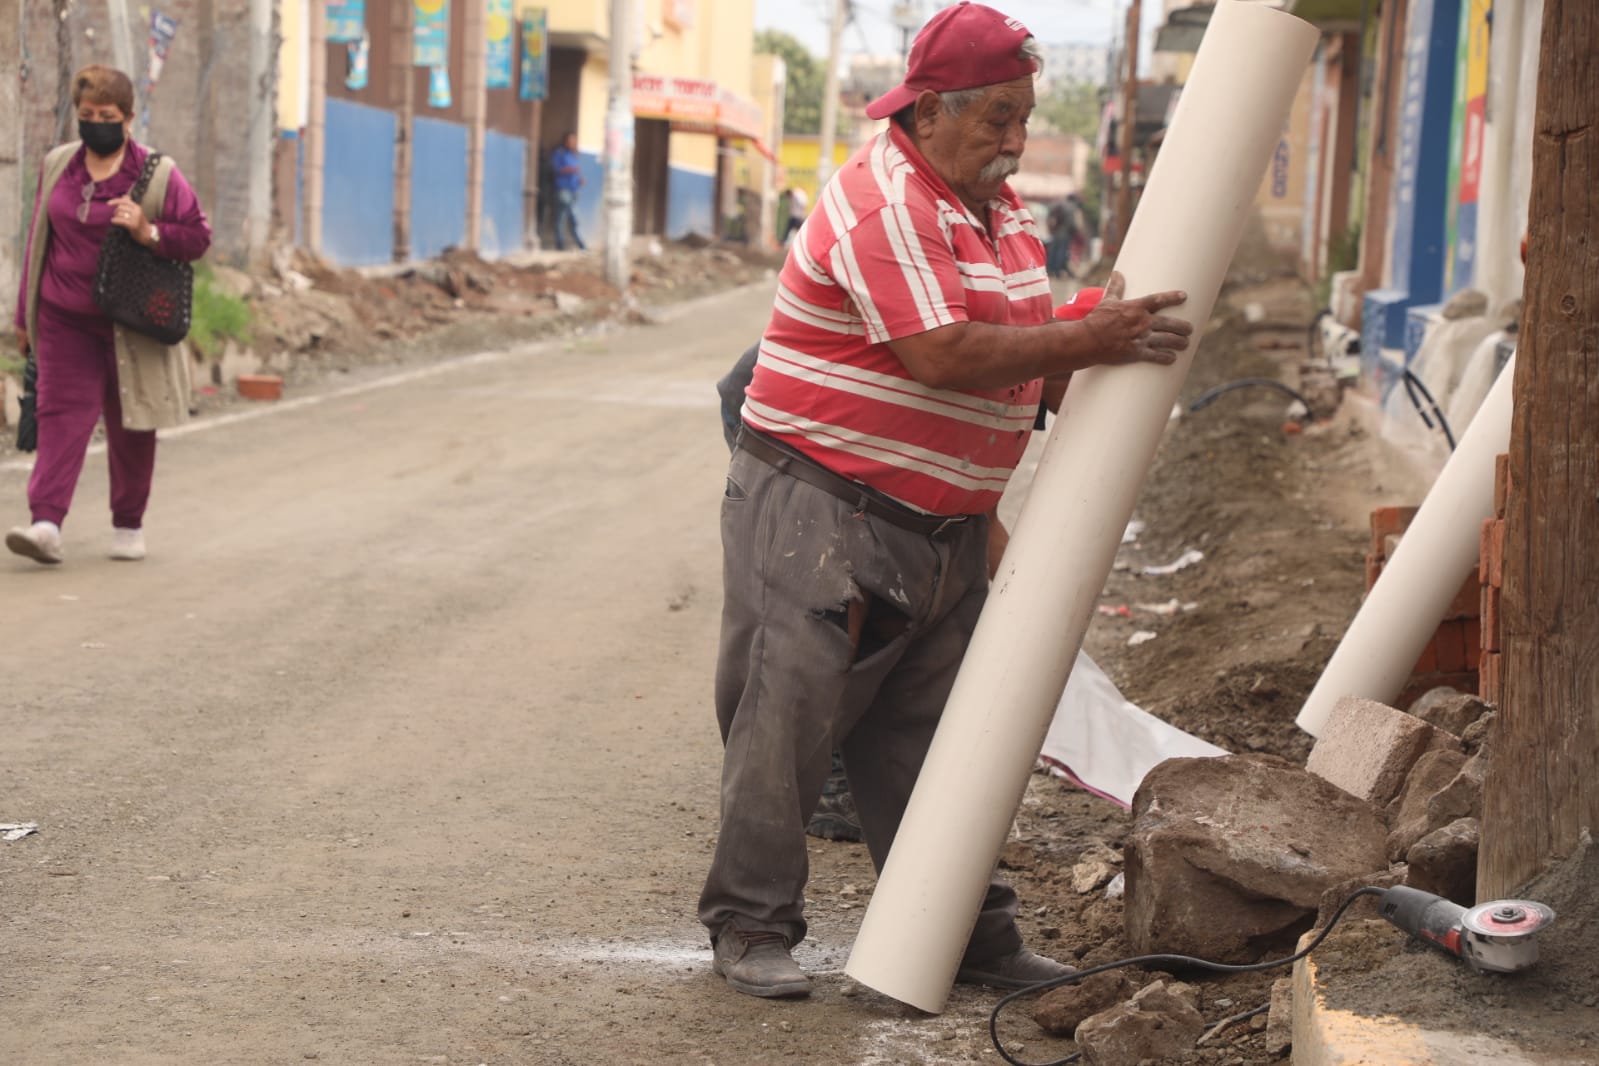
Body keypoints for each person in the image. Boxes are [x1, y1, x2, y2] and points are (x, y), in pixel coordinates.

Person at [700, 1, 1192, 1000]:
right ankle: (750, 924)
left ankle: (963, 931)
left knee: (934, 736)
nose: (1017, 139)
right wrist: (1087, 341)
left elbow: (1020, 361)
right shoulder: (886, 201)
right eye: (997, 117)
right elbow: (943, 353)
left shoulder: (997, 210)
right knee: (787, 718)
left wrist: (1088, 364)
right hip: (824, 508)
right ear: (928, 113)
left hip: (937, 528)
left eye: (1024, 115)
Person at [6, 65, 211, 566]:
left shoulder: (158, 173)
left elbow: (198, 236)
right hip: (62, 317)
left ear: (129, 118)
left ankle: (128, 522)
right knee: (58, 415)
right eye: (88, 115)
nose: (97, 123)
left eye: (108, 116)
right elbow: (37, 241)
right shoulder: (58, 164)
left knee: (131, 424)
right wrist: (23, 319)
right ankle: (47, 522)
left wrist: (148, 230)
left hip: (131, 321)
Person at [549, 132, 585, 252]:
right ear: (566, 141)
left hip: (573, 189)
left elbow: (576, 172)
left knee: (568, 217)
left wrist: (579, 179)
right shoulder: (560, 153)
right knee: (566, 217)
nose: (572, 143)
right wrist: (571, 170)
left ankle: (573, 244)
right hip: (563, 189)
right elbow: (556, 169)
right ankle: (573, 244)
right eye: (570, 140)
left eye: (574, 140)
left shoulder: (573, 155)